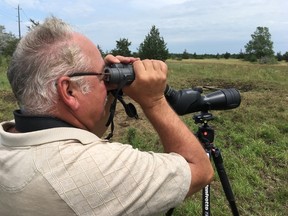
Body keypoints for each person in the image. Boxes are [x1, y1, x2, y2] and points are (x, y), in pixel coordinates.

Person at [0, 16, 214, 216]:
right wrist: (155, 101)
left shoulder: (9, 138)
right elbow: (200, 170)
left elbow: (85, 131)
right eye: (103, 76)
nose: (107, 83)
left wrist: (109, 93)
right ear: (69, 91)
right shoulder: (92, 168)